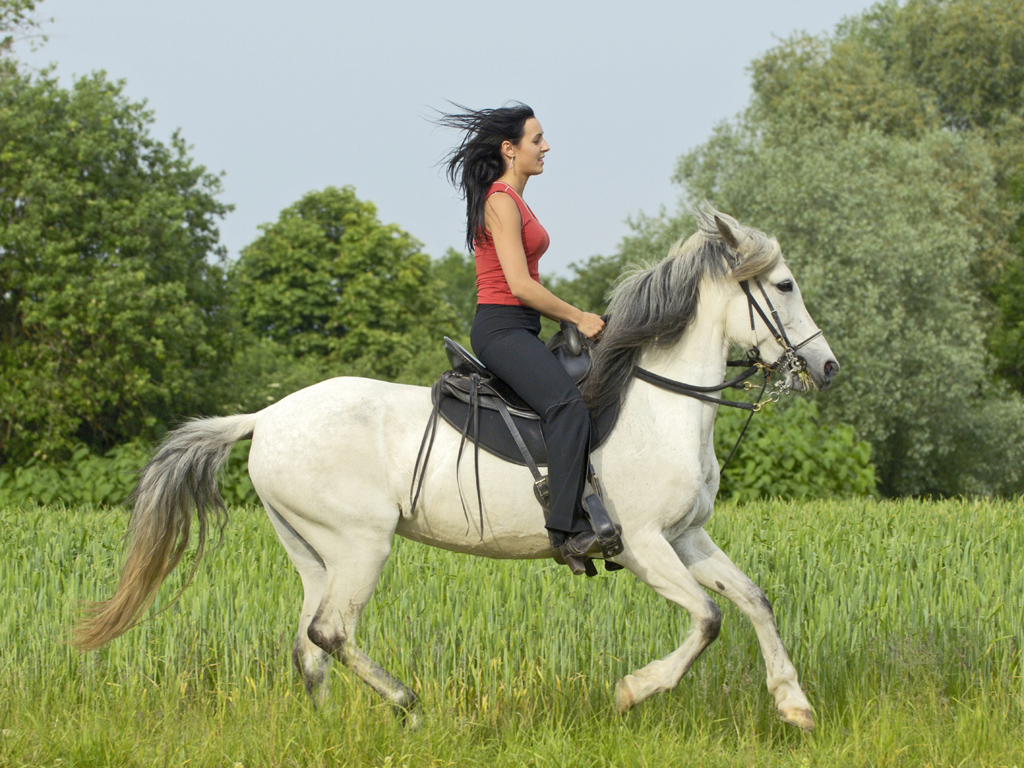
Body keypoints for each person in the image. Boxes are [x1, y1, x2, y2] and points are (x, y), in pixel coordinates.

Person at [438, 102, 612, 575]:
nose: (547, 147)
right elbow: (519, 284)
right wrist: (576, 315)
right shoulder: (499, 200)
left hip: (522, 325)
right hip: (501, 327)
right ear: (509, 149)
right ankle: (567, 531)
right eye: (537, 140)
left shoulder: (514, 199)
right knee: (565, 406)